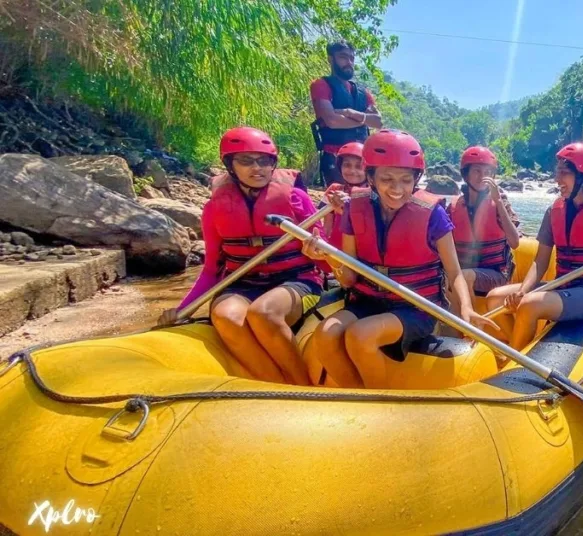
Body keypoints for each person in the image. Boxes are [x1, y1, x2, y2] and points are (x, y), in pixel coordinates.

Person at [300, 130, 498, 388]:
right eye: (387, 179)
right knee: (326, 334)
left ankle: (379, 403)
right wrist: (327, 255)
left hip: (416, 307)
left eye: (406, 180)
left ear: (416, 179)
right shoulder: (355, 208)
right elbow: (348, 279)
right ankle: (359, 397)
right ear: (370, 177)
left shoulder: (433, 215)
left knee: (361, 335)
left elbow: (455, 272)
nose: (397, 189)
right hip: (368, 300)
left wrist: (466, 309)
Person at [159, 127, 322, 385]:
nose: (256, 168)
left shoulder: (296, 198)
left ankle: (305, 387)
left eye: (264, 160)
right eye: (245, 160)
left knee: (264, 313)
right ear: (230, 165)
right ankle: (274, 386)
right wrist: (182, 310)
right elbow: (212, 269)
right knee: (225, 316)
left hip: (297, 279)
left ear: (273, 164)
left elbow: (324, 257)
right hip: (244, 283)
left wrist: (319, 252)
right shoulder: (214, 209)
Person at [485, 143, 583, 353]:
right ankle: (517, 347)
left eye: (565, 173)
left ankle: (513, 362)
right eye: (557, 172)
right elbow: (540, 261)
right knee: (494, 298)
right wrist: (523, 290)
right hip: (563, 285)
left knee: (530, 304)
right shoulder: (554, 211)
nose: (557, 179)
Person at [446, 146, 519, 315]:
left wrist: (498, 202)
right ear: (466, 175)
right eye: (477, 171)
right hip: (465, 272)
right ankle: (456, 335)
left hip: (497, 275)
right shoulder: (454, 207)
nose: (483, 177)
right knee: (450, 278)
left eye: (487, 172)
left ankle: (473, 332)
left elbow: (515, 242)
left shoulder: (501, 203)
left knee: (462, 277)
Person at [310, 40, 383, 187]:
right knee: (339, 203)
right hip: (336, 159)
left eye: (352, 58)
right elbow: (332, 121)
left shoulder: (364, 93)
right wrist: (364, 118)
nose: (349, 62)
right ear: (331, 59)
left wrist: (349, 113)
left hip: (362, 159)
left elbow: (378, 122)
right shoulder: (321, 85)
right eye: (343, 57)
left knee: (366, 202)